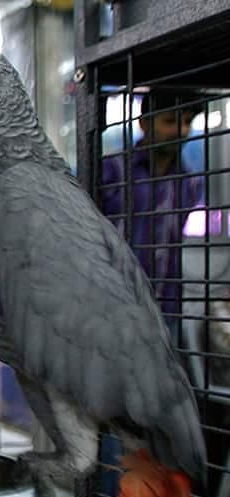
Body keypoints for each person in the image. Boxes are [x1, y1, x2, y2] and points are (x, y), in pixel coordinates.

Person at [100, 88, 206, 341]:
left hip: (166, 310)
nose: (180, 131)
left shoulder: (189, 183)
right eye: (170, 121)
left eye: (187, 122)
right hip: (112, 310)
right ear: (144, 123)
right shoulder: (111, 171)